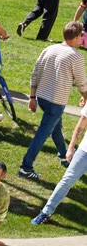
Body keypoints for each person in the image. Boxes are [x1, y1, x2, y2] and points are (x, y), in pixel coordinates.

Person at [21, 21, 87, 179]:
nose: (82, 38)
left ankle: (64, 156)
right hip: (56, 102)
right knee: (43, 133)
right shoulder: (76, 56)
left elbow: (35, 73)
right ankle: (25, 168)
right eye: (81, 35)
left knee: (56, 127)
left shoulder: (49, 49)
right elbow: (82, 83)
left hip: (42, 98)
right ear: (76, 37)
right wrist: (86, 97)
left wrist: (32, 97)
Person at [35, 89, 87, 224]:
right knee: (66, 181)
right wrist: (71, 148)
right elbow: (81, 125)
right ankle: (46, 212)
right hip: (84, 151)